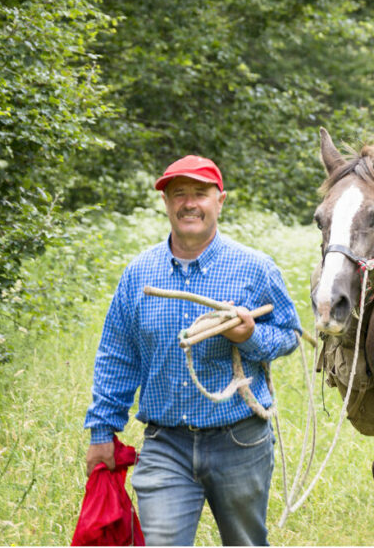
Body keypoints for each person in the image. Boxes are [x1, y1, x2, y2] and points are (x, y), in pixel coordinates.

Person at [83, 155, 301, 545]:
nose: (189, 203)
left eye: (200, 193)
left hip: (239, 439)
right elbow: (117, 354)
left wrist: (247, 336)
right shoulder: (139, 273)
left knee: (245, 542)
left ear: (220, 201)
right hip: (166, 443)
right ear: (166, 203)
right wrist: (102, 430)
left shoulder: (255, 268)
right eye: (178, 193)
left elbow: (288, 334)